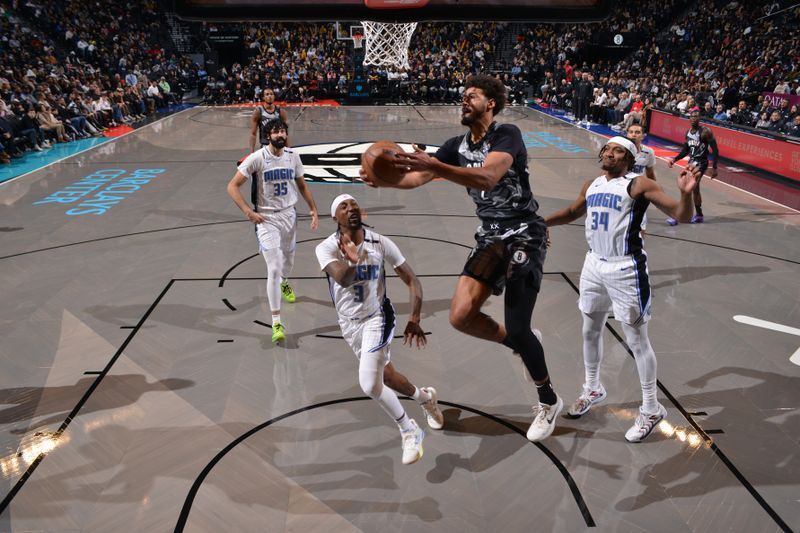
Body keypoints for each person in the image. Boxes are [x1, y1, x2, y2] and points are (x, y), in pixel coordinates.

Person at [361, 74, 562, 442]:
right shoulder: (456, 145)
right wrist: (384, 179)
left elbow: (487, 177)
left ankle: (548, 400)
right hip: (490, 235)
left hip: (524, 233)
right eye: (463, 96)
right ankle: (521, 344)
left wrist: (434, 166)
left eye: (473, 96)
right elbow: (417, 179)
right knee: (460, 316)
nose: (465, 100)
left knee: (517, 323)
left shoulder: (507, 135)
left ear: (492, 104)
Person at [544, 136, 699, 442]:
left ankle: (652, 409)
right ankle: (592, 387)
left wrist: (686, 195)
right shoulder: (592, 184)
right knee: (590, 329)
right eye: (607, 149)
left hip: (625, 268)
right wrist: (541, 223)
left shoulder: (639, 184)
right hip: (593, 264)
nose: (609, 154)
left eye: (617, 151)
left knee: (637, 341)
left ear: (630, 159)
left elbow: (682, 215)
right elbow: (574, 212)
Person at [316, 194, 444, 465]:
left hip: (377, 317)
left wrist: (416, 318)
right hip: (349, 324)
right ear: (334, 218)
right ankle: (426, 399)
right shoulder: (325, 248)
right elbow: (342, 277)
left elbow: (412, 280)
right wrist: (352, 260)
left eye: (354, 204)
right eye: (343, 206)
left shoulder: (380, 242)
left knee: (368, 383)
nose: (351, 209)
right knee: (386, 376)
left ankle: (409, 431)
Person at [227, 119, 319, 343]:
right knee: (274, 267)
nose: (280, 134)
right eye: (276, 131)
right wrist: (249, 212)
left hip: (289, 214)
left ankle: (284, 282)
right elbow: (232, 186)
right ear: (268, 135)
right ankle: (276, 322)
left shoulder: (292, 156)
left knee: (287, 264)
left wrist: (314, 209)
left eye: (283, 131)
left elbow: (302, 185)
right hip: (266, 219)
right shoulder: (257, 158)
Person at [666, 107, 719, 225]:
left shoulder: (705, 131)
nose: (693, 118)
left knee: (687, 188)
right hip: (692, 162)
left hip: (702, 163)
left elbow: (715, 150)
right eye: (692, 116)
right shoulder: (688, 132)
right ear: (689, 119)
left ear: (699, 118)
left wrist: (714, 167)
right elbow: (685, 150)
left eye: (696, 116)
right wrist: (675, 159)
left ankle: (679, 216)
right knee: (694, 190)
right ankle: (699, 215)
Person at [250, 88, 288, 153]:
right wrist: (251, 152)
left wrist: (287, 149)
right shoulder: (258, 112)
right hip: (265, 146)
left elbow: (286, 133)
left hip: (279, 146)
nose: (269, 96)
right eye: (267, 94)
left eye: (271, 94)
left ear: (274, 96)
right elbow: (253, 134)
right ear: (263, 97)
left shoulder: (281, 111)